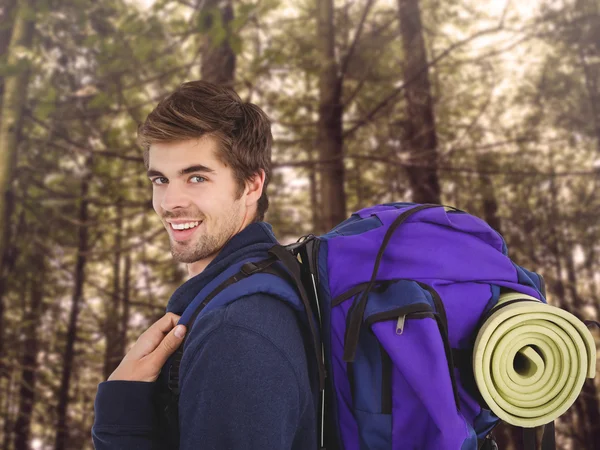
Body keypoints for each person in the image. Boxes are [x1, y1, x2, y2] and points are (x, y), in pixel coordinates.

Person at [91, 80, 319, 449]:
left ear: (251, 185)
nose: (170, 202)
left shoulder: (237, 331)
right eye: (160, 179)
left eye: (196, 177)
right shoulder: (247, 293)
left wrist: (120, 418)